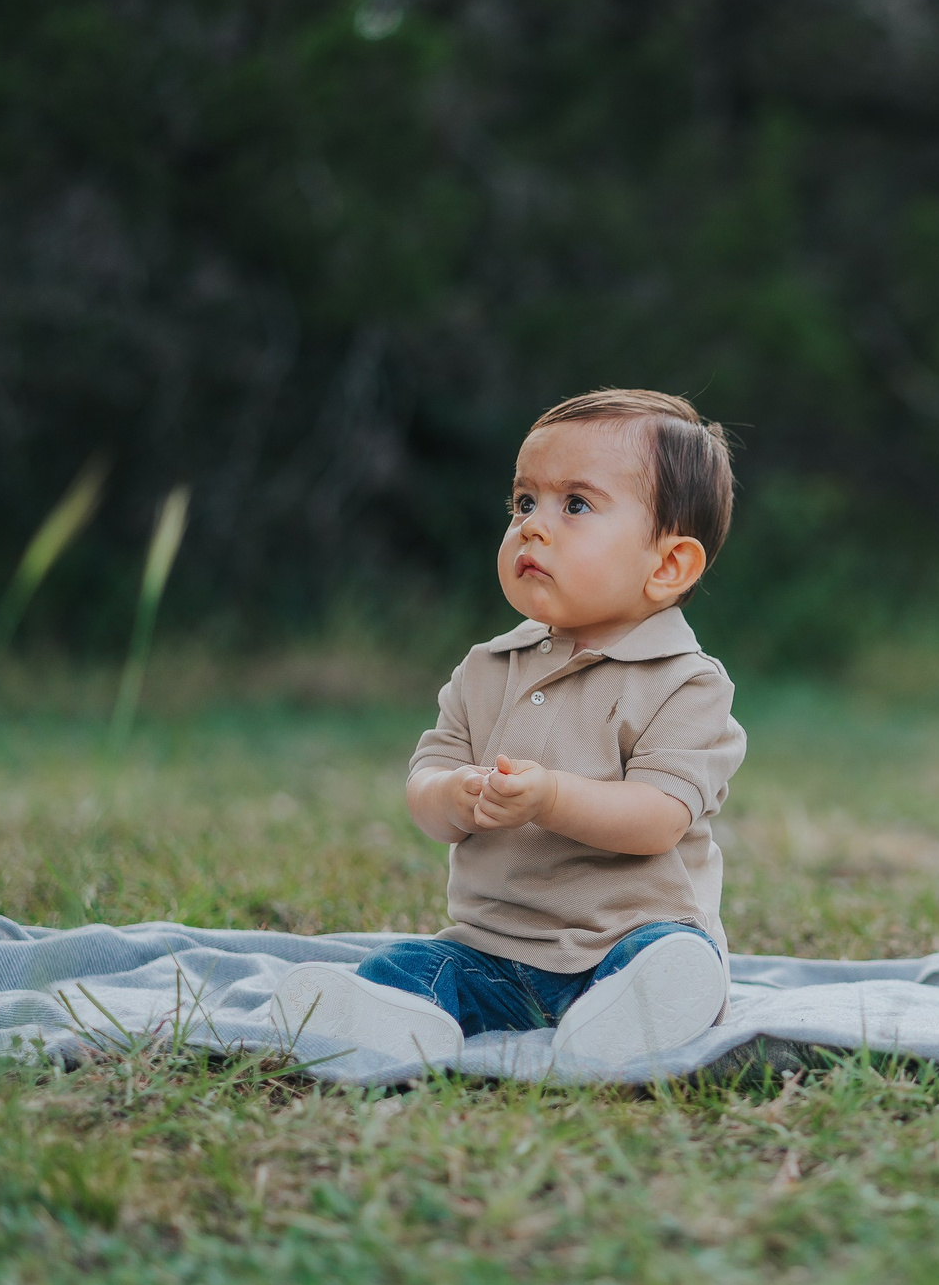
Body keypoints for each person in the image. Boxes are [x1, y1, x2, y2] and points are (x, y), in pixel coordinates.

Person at [271, 389, 745, 1065]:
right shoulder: (488, 668)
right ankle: (398, 1019)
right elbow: (427, 782)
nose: (533, 526)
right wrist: (451, 793)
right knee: (416, 965)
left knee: (668, 957)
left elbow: (659, 818)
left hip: (626, 939)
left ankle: (639, 1010)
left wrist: (551, 797)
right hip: (496, 950)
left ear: (667, 565)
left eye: (574, 504)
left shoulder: (685, 682)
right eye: (524, 501)